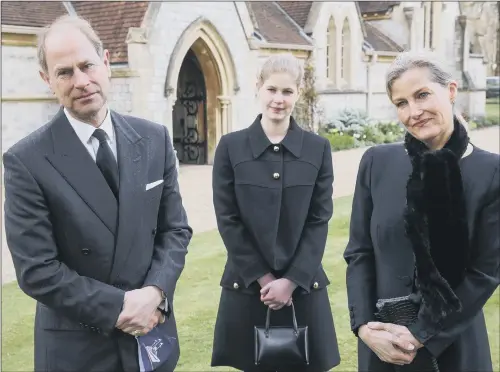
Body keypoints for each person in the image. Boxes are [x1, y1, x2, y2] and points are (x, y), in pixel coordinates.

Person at [3, 15, 192, 372]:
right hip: (79, 350)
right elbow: (37, 270)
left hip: (151, 334)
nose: (81, 81)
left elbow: (175, 231)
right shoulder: (26, 161)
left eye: (87, 65)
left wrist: (155, 294)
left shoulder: (154, 139)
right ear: (47, 80)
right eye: (64, 72)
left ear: (105, 63)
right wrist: (120, 307)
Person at [344, 50, 499, 371]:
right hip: (383, 345)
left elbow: (484, 272)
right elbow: (359, 253)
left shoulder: (491, 172)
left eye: (422, 95)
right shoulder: (377, 162)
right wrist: (364, 328)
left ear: (451, 91)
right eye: (402, 103)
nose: (414, 111)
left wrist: (419, 334)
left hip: (454, 344)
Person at [210, 53, 341, 372]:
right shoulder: (230, 147)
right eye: (272, 89)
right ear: (258, 88)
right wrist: (265, 278)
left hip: (304, 289)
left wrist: (292, 280)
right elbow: (228, 220)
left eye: (287, 91)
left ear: (298, 93)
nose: (278, 100)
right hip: (248, 287)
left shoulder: (318, 148)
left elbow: (318, 220)